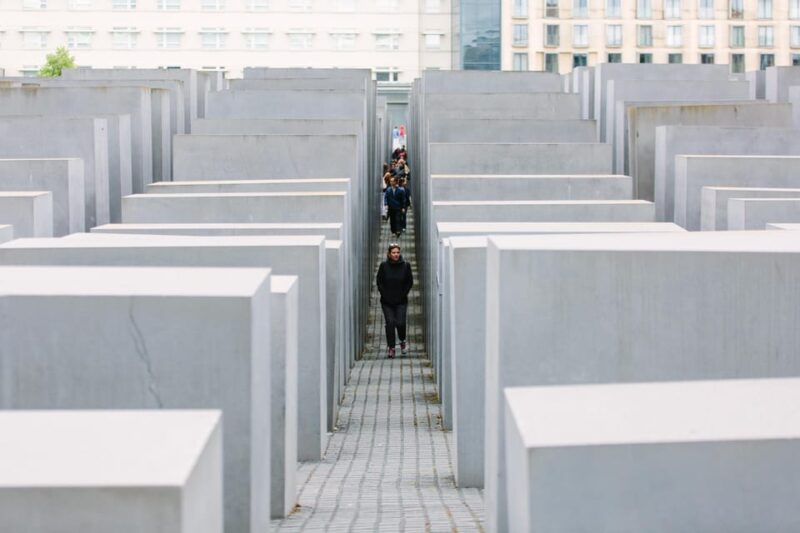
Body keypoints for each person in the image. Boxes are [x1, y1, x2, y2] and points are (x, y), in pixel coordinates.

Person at [376, 243, 413, 358]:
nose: (396, 255)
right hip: (387, 301)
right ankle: (391, 347)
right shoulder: (383, 266)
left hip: (401, 300)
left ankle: (402, 341)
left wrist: (403, 294)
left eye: (397, 252)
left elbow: (409, 282)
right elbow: (379, 282)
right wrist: (384, 294)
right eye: (393, 253)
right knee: (390, 323)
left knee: (400, 322)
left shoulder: (406, 266)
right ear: (389, 254)